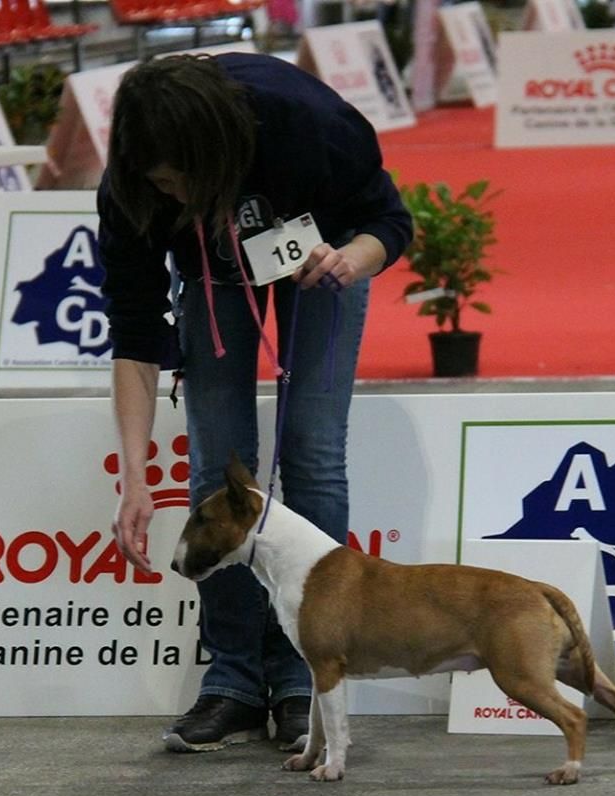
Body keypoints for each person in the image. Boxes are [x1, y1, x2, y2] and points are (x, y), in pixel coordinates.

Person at [97, 53, 413, 754]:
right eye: (161, 184)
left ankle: (306, 676)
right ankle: (234, 680)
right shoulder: (132, 187)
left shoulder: (307, 122)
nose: (173, 194)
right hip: (212, 280)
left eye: (182, 179)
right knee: (216, 467)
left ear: (219, 151)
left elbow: (388, 221)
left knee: (313, 455)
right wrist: (135, 477)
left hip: (319, 263)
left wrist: (351, 259)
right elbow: (136, 335)